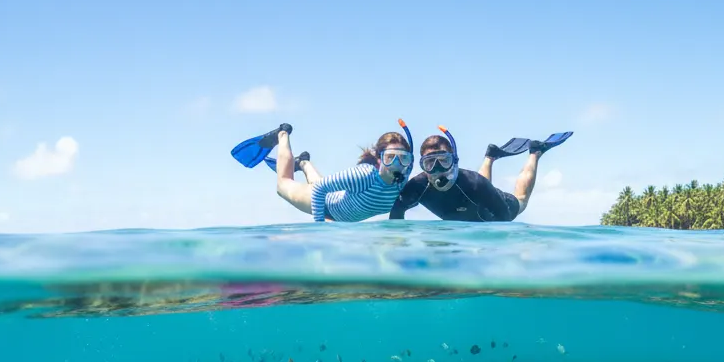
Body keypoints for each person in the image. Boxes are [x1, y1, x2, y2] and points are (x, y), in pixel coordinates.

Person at [231, 121, 414, 222]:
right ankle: (282, 134)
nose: (397, 164)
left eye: (403, 158)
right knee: (283, 184)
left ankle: (303, 162)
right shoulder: (364, 176)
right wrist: (320, 227)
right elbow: (319, 189)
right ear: (379, 158)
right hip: (324, 204)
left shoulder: (403, 179)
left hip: (335, 199)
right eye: (390, 158)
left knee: (320, 182)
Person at [388, 128, 571, 222]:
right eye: (430, 163)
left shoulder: (476, 184)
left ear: (455, 160)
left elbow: (503, 223)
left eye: (444, 161)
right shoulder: (416, 188)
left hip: (499, 202)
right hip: (477, 198)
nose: (437, 169)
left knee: (521, 200)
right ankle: (490, 156)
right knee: (476, 189)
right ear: (423, 166)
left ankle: (535, 152)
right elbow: (396, 216)